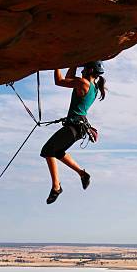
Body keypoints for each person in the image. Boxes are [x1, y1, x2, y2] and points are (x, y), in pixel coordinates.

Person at [40, 61, 106, 204]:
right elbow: (70, 76)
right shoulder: (93, 87)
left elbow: (59, 81)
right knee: (57, 152)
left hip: (74, 127)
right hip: (78, 128)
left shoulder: (83, 83)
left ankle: (56, 187)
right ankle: (83, 174)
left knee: (47, 150)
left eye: (83, 69)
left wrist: (56, 62)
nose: (81, 71)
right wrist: (73, 62)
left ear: (89, 70)